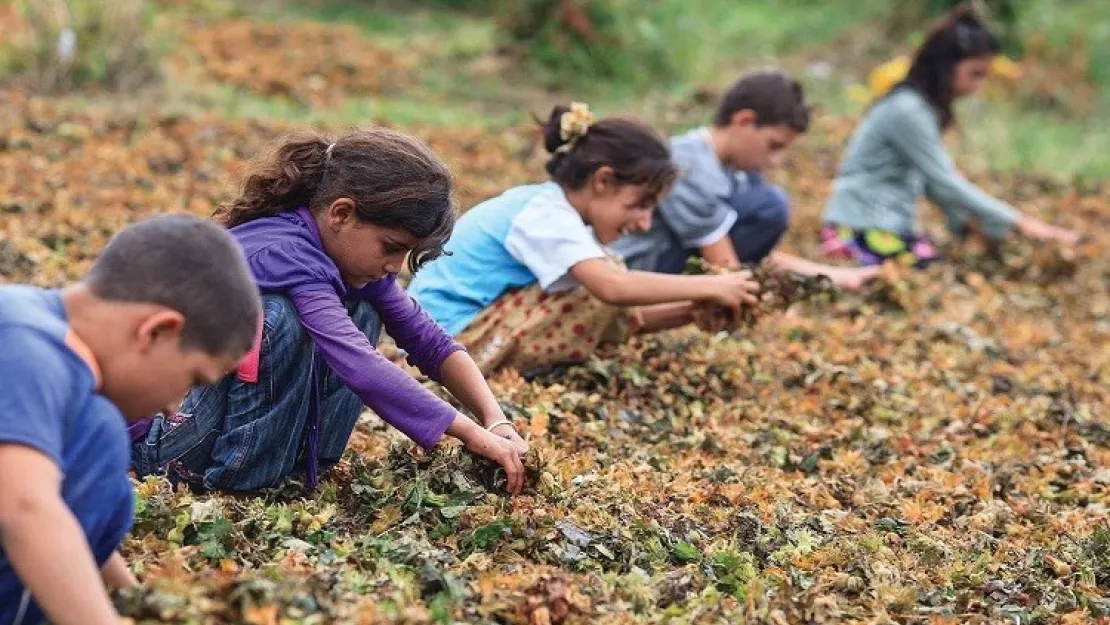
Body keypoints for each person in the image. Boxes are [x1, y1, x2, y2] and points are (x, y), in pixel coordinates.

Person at [130, 128, 531, 496]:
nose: (395, 265)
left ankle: (299, 468)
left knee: (363, 309)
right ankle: (239, 484)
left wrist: (494, 420)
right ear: (341, 214)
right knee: (277, 320)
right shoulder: (285, 253)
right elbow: (360, 365)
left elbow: (428, 341)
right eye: (390, 247)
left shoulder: (347, 260)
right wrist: (468, 433)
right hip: (161, 442)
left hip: (205, 426)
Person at [0, 215, 260, 625]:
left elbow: (67, 520)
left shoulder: (38, 331)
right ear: (157, 331)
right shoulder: (27, 347)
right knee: (101, 437)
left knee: (99, 441)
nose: (176, 408)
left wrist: (137, 601)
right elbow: (27, 509)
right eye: (191, 380)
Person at [408, 103, 762, 376]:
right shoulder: (545, 214)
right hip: (441, 341)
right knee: (599, 285)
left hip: (456, 332)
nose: (644, 223)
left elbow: (619, 306)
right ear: (603, 181)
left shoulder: (555, 212)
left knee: (600, 280)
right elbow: (613, 291)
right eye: (640, 205)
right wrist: (709, 287)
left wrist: (692, 310)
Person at [822, 7, 1078, 267]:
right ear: (946, 65)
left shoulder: (920, 109)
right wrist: (1023, 224)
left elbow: (935, 185)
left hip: (885, 223)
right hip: (861, 225)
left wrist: (971, 224)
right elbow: (945, 181)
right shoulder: (907, 110)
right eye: (974, 74)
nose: (977, 87)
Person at [608, 69, 879, 290]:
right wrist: (748, 301)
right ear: (744, 120)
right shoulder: (689, 165)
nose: (776, 160)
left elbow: (753, 255)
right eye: (773, 145)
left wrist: (836, 277)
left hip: (675, 264)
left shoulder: (735, 172)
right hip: (640, 270)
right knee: (771, 205)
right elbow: (725, 264)